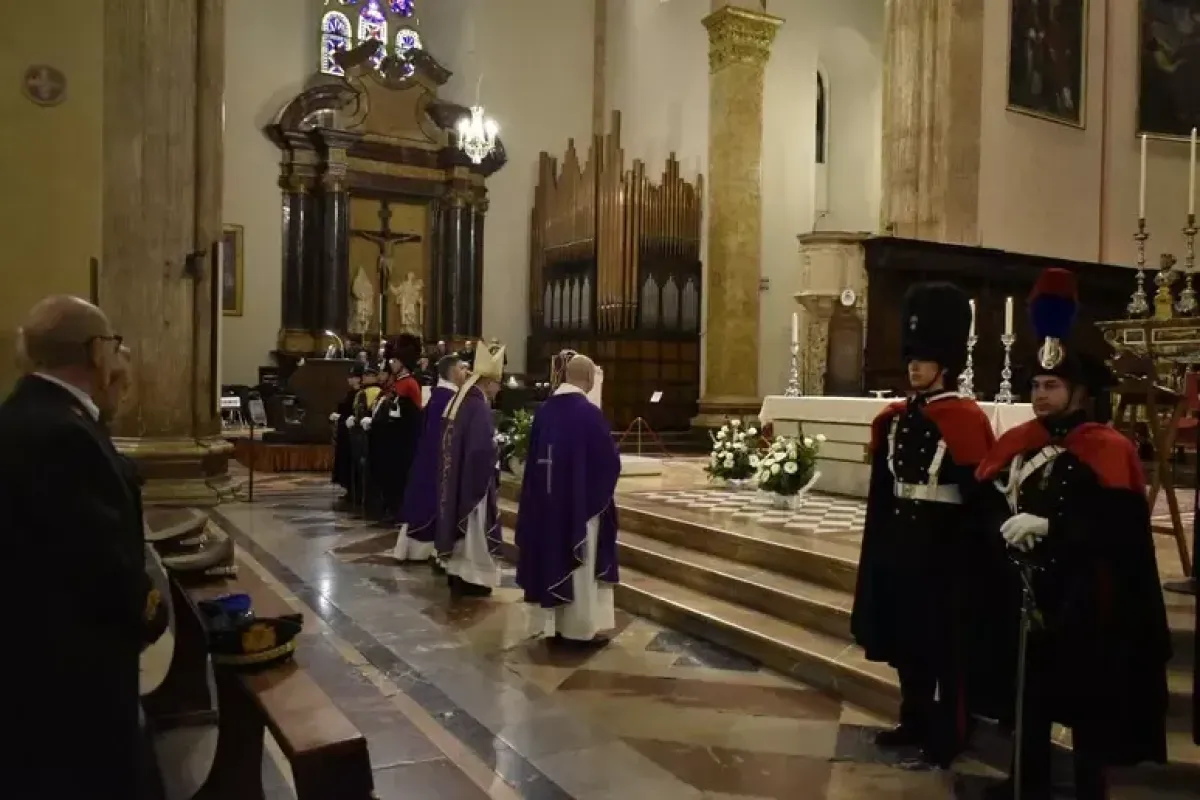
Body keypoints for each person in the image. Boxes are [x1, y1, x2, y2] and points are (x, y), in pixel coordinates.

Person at [974, 269, 1171, 800]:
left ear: (1080, 392)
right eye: (1036, 385)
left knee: (1089, 708)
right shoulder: (1020, 440)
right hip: (1029, 591)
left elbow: (1121, 531)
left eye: (1052, 385)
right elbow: (989, 499)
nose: (1040, 395)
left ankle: (1091, 791)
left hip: (1086, 599)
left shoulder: (1107, 447)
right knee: (1029, 698)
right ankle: (1026, 782)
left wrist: (1053, 526)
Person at [0, 295, 164, 799]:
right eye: (115, 346)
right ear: (97, 352)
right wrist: (150, 610)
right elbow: (103, 571)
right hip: (70, 686)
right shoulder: (63, 436)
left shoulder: (25, 415)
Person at [849, 282, 996, 768]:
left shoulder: (964, 418)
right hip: (903, 543)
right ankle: (912, 719)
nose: (913, 366)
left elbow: (978, 495)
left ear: (945, 364)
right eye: (911, 357)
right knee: (907, 640)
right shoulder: (897, 418)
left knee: (944, 646)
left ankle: (949, 733)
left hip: (945, 547)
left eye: (924, 358)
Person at [515, 354, 621, 647]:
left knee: (551, 557)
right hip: (579, 508)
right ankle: (578, 630)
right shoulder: (588, 414)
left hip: (546, 506)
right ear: (587, 378)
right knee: (580, 565)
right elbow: (609, 462)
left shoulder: (545, 411)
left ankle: (554, 626)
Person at [436, 340, 506, 596]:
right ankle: (472, 577)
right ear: (488, 382)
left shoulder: (462, 399)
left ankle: (457, 573)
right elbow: (479, 449)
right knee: (474, 530)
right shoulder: (478, 405)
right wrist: (495, 449)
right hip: (472, 481)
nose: (499, 390)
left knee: (460, 530)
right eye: (498, 384)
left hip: (456, 476)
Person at [394, 354, 463, 563]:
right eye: (461, 368)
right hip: (437, 460)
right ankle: (426, 550)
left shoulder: (439, 394)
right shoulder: (448, 398)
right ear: (451, 372)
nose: (465, 372)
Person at [368, 336, 424, 520]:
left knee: (398, 476)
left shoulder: (410, 383)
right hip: (390, 436)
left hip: (402, 439)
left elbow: (414, 414)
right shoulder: (396, 381)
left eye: (394, 361)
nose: (391, 364)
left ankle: (397, 508)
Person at [330, 364, 363, 500]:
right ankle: (348, 488)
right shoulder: (350, 392)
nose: (350, 380)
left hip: (353, 431)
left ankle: (355, 490)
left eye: (353, 377)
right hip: (344, 430)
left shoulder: (360, 393)